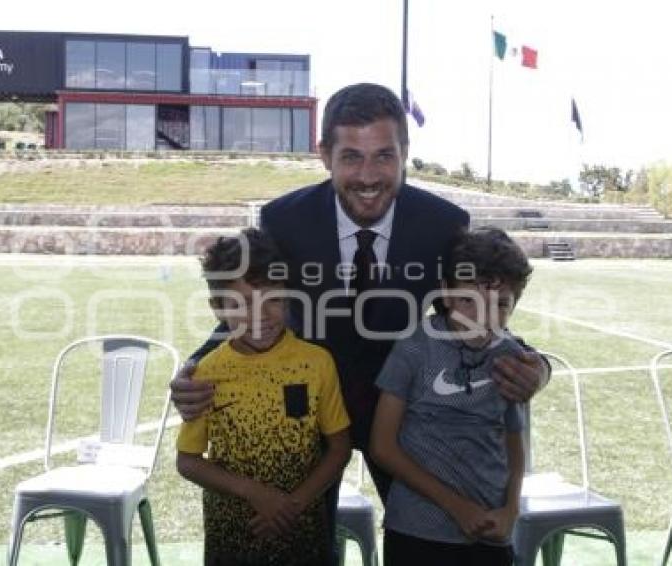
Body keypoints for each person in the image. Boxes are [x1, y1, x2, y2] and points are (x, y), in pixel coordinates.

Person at [172, 82, 548, 503]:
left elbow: (475, 313)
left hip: (407, 415)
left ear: (404, 154)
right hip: (304, 410)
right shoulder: (284, 220)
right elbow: (251, 307)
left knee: (423, 538)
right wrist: (195, 364)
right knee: (298, 538)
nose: (368, 177)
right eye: (351, 157)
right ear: (324, 155)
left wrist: (535, 367)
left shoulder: (442, 223)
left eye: (384, 156)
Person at [176, 228, 351, 566]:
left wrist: (292, 506)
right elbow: (189, 462)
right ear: (217, 307)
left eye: (272, 299)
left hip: (302, 532)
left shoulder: (316, 363)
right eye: (241, 304)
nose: (260, 315)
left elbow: (339, 448)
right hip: (233, 535)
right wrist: (256, 494)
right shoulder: (207, 373)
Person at [370, 226, 531, 566]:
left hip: (489, 532)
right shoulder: (415, 347)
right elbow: (382, 447)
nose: (483, 319)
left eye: (500, 304)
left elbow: (515, 441)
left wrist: (510, 510)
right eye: (468, 301)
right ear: (445, 293)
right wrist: (458, 507)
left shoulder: (511, 358)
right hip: (417, 532)